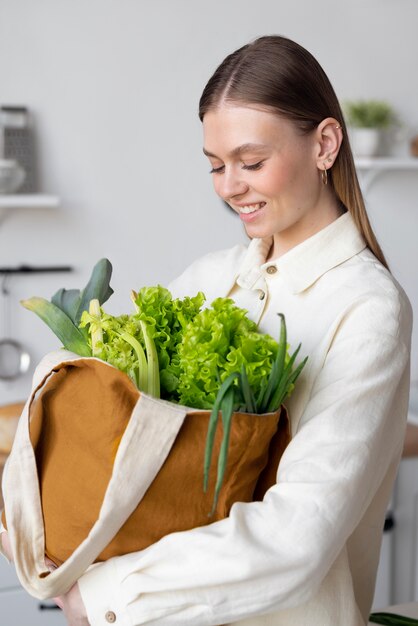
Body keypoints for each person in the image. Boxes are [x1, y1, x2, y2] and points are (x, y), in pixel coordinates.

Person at [1, 34, 413, 626]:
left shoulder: (367, 307)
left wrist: (109, 594)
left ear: (325, 144)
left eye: (251, 163)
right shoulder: (210, 279)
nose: (229, 186)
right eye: (216, 166)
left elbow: (299, 532)